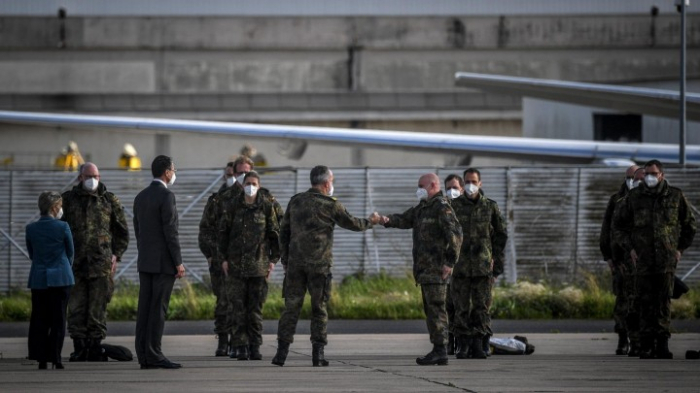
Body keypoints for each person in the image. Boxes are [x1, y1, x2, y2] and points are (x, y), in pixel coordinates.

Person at [271, 165, 381, 367]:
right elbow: (353, 224)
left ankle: (281, 353)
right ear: (326, 183)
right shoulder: (331, 205)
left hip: (295, 266)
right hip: (319, 268)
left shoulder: (296, 201)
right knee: (319, 309)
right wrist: (371, 221)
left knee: (291, 309)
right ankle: (318, 354)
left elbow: (283, 233)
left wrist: (285, 261)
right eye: (332, 180)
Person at [613, 159, 696, 359]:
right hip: (642, 260)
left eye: (653, 173)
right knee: (644, 302)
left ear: (661, 175)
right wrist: (630, 249)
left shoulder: (675, 196)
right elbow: (619, 227)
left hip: (666, 260)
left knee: (663, 302)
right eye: (647, 173)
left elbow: (689, 225)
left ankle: (663, 344)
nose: (649, 177)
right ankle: (646, 345)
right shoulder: (634, 198)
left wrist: (679, 249)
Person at [380, 173, 463, 366]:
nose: (418, 189)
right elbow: (405, 219)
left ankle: (440, 350)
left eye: (421, 185)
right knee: (431, 311)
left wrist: (450, 263)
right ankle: (438, 349)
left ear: (433, 185)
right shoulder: (423, 208)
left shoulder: (441, 207)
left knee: (437, 311)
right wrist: (385, 220)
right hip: (425, 271)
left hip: (436, 270)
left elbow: (456, 234)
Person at [62, 162, 129, 362]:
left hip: (101, 265)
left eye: (97, 176)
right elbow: (59, 229)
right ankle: (79, 347)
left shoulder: (109, 200)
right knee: (76, 307)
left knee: (97, 309)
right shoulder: (68, 200)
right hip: (75, 265)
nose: (93, 180)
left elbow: (122, 231)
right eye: (89, 176)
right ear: (80, 177)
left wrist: (116, 254)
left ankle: (94, 347)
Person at [219, 171, 280, 361]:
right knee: (237, 309)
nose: (250, 186)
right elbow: (222, 234)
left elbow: (274, 234)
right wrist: (223, 259)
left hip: (258, 267)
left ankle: (255, 346)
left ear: (259, 186)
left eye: (254, 183)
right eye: (248, 183)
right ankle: (239, 346)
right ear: (243, 185)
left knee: (255, 310)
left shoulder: (266, 207)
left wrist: (273, 260)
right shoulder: (232, 206)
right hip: (236, 267)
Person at [133, 155, 186, 369]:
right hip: (164, 263)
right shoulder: (167, 196)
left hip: (145, 261)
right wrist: (178, 262)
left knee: (144, 309)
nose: (174, 173)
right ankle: (154, 354)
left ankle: (144, 355)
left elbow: (138, 231)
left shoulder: (140, 197)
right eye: (173, 170)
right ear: (166, 172)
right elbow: (170, 232)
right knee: (158, 309)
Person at [449, 168, 507, 360]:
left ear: (480, 183)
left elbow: (501, 235)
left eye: (473, 181)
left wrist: (496, 263)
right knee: (461, 308)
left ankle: (480, 344)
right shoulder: (454, 206)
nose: (470, 185)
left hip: (483, 267)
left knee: (481, 307)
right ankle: (463, 346)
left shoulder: (490, 207)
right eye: (467, 181)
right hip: (461, 267)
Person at [26, 191, 75, 370]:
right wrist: (63, 268)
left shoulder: (30, 229)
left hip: (39, 279)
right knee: (58, 319)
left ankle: (41, 359)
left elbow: (32, 254)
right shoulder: (63, 227)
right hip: (61, 279)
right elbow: (70, 253)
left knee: (40, 319)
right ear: (55, 208)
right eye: (60, 206)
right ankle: (56, 358)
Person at [599, 165, 643, 356]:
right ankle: (623, 339)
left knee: (644, 300)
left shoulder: (649, 201)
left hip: (645, 260)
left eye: (634, 176)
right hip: (621, 259)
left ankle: (641, 340)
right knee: (623, 301)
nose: (631, 180)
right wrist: (608, 256)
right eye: (628, 177)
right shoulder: (617, 200)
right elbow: (607, 229)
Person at [198, 161, 237, 356]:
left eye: (236, 173)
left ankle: (239, 341)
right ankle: (223, 339)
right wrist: (212, 254)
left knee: (241, 302)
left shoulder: (250, 199)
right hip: (219, 261)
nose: (233, 177)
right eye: (229, 174)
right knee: (223, 301)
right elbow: (205, 230)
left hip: (243, 261)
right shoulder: (215, 201)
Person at [443, 173, 464, 355]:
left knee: (465, 306)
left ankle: (467, 343)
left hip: (467, 266)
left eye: (455, 187)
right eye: (448, 187)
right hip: (450, 266)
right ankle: (450, 342)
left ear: (462, 189)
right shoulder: (443, 208)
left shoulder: (469, 208)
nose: (452, 191)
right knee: (449, 305)